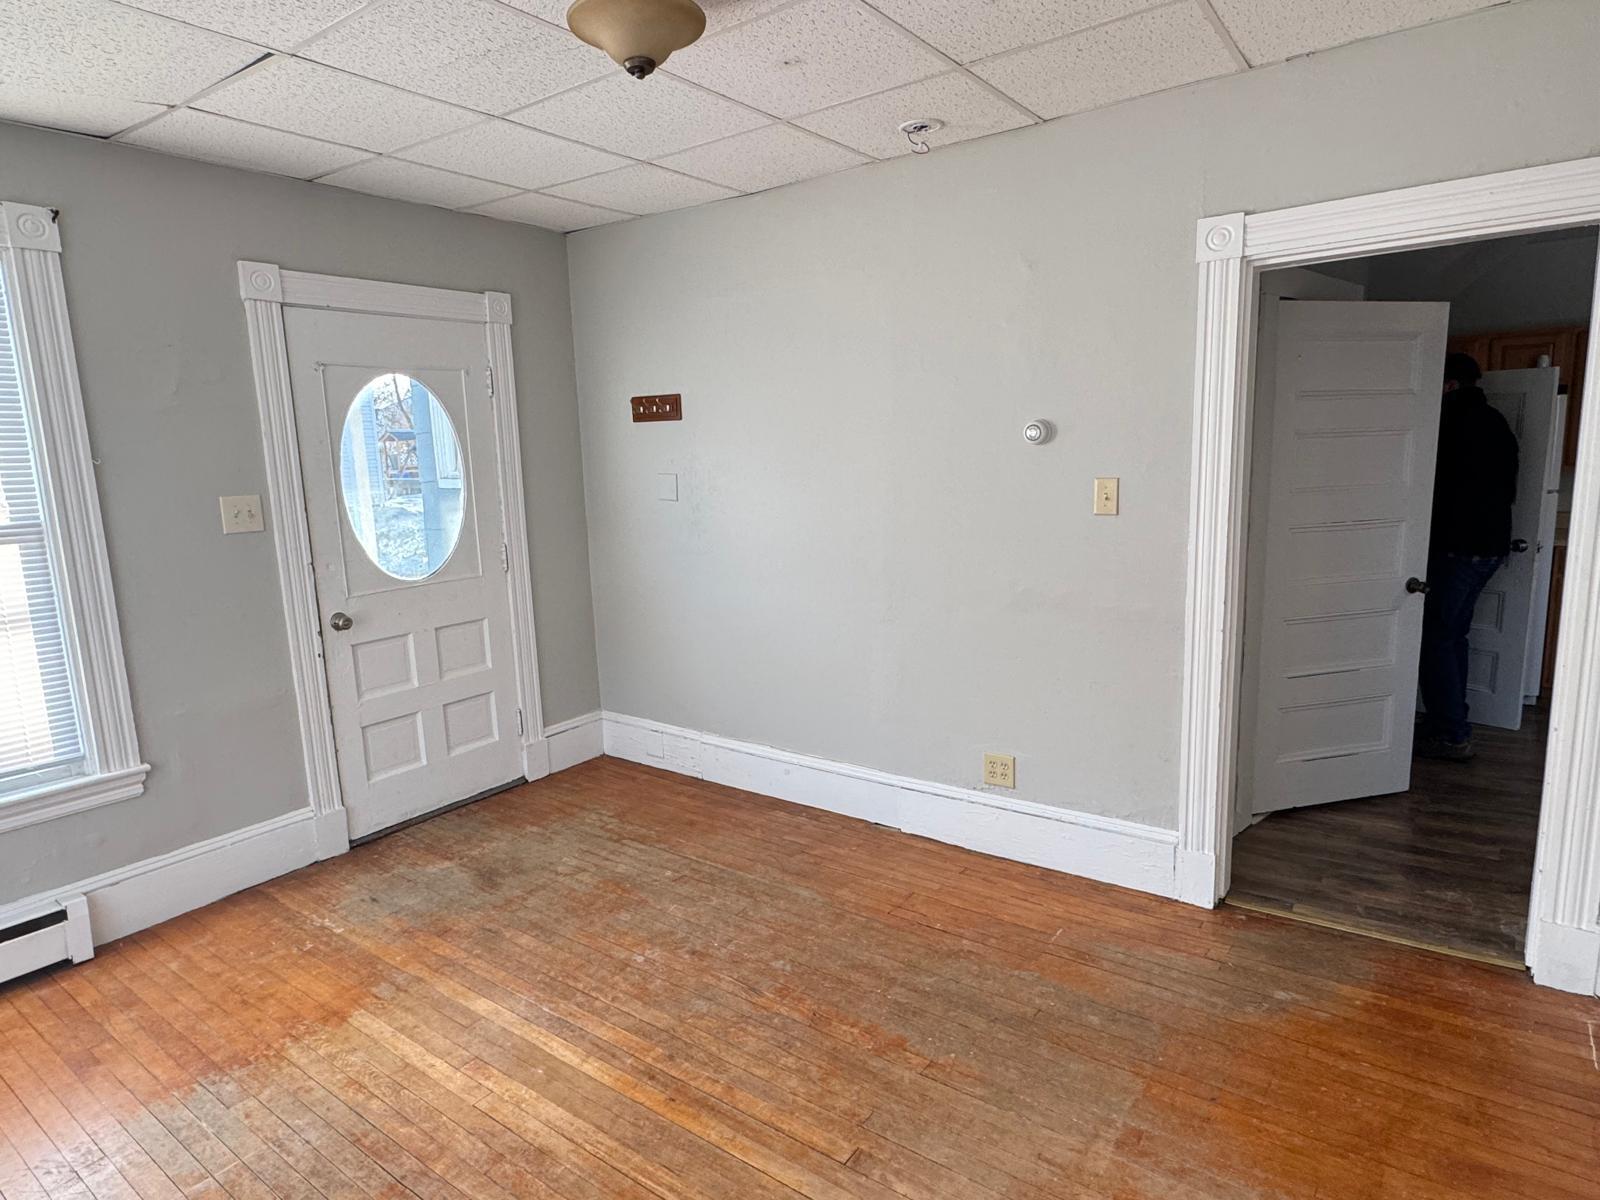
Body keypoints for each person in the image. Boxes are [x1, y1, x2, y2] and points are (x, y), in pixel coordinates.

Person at [1416, 352, 1519, 761]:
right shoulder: (1495, 423)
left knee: (1438, 639)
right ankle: (1450, 720)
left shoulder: (1449, 424)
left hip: (1458, 547)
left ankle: (1451, 732)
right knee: (1452, 636)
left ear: (1449, 385)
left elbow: (1435, 488)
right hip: (1489, 548)